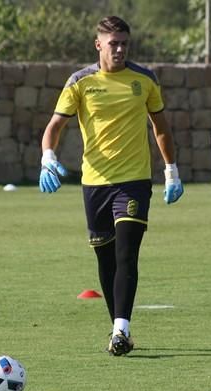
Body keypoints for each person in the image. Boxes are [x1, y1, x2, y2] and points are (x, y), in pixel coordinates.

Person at [39, 15, 183, 356]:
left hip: (134, 181)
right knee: (105, 260)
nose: (119, 49)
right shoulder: (80, 82)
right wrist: (48, 156)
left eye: (124, 44)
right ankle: (117, 328)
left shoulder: (144, 80)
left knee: (126, 253)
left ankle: (122, 328)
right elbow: (54, 126)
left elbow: (160, 128)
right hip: (95, 183)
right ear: (98, 44)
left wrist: (171, 171)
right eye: (113, 43)